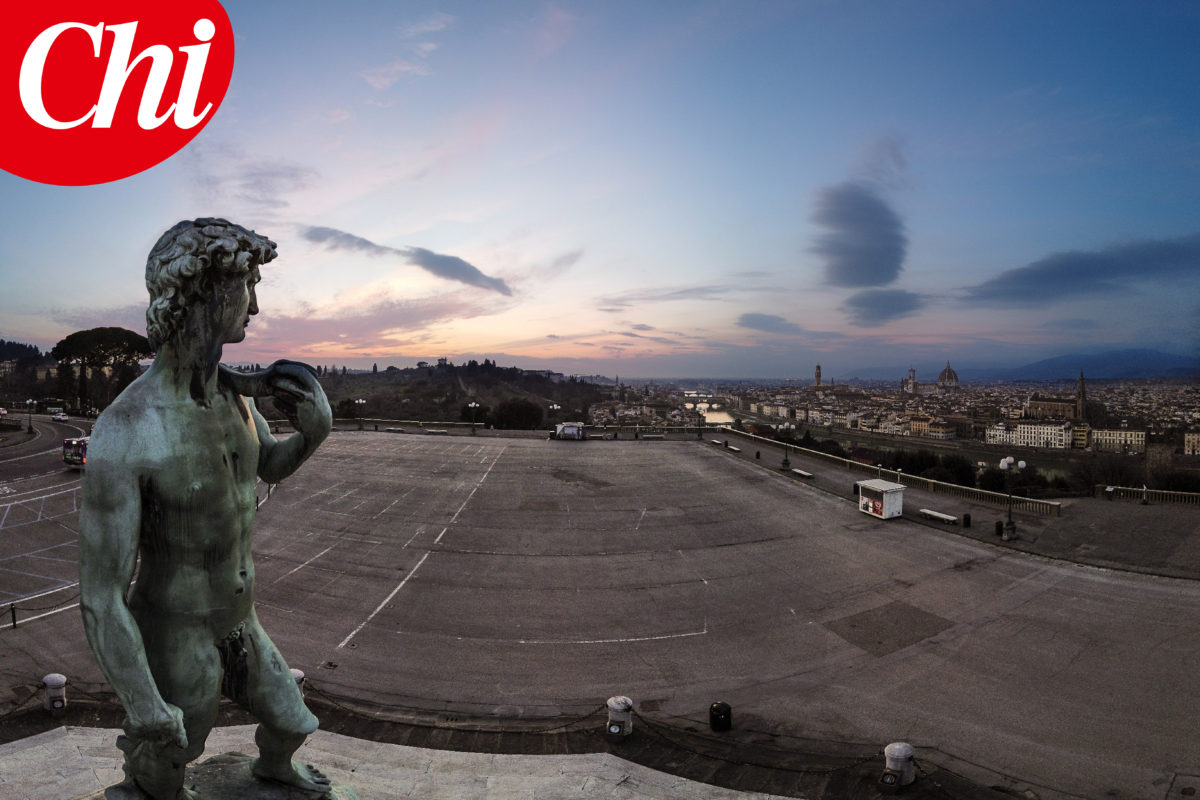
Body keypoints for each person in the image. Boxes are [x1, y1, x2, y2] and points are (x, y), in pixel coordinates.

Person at [79, 219, 333, 800]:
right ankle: (147, 782)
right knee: (170, 760)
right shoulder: (127, 430)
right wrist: (143, 703)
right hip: (177, 628)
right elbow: (100, 596)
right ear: (208, 292)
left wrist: (314, 435)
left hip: (240, 619)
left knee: (292, 722)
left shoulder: (233, 394)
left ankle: (273, 767)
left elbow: (266, 464)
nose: (257, 305)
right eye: (248, 285)